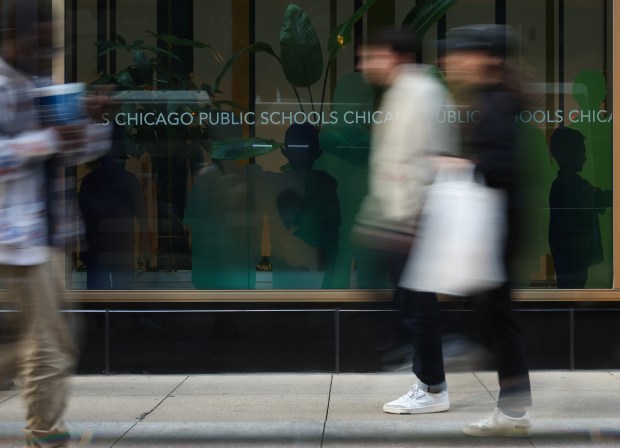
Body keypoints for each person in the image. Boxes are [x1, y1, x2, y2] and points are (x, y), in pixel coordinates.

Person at [392, 24, 532, 437]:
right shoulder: (493, 99)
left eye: (463, 54)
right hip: (496, 227)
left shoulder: (499, 103)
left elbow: (500, 167)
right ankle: (512, 408)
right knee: (495, 317)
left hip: (497, 229)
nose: (455, 63)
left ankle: (511, 409)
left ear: (487, 57)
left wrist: (453, 165)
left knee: (496, 319)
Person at [0, 1, 112, 446]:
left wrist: (92, 123)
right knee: (50, 342)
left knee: (51, 340)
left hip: (47, 235)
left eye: (51, 44)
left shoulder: (44, 84)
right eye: (39, 43)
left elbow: (71, 153)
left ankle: (44, 431)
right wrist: (47, 140)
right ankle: (45, 434)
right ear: (12, 37)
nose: (46, 53)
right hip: (14, 237)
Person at [354, 28, 458, 412]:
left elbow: (422, 160)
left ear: (394, 56)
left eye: (371, 55)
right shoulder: (403, 92)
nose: (364, 64)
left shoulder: (418, 94)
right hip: (399, 219)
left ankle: (432, 386)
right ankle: (432, 376)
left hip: (410, 220)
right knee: (411, 305)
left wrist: (407, 218)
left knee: (417, 308)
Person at [78, 125, 147, 290]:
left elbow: (81, 217)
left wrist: (82, 247)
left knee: (100, 302)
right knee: (121, 301)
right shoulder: (128, 180)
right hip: (117, 248)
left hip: (99, 248)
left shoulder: (91, 180)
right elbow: (142, 216)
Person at [548, 127, 612, 288]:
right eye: (581, 152)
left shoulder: (568, 184)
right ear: (569, 154)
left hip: (573, 253)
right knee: (572, 290)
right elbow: (599, 199)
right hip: (574, 254)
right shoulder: (572, 186)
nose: (584, 158)